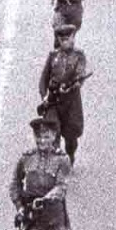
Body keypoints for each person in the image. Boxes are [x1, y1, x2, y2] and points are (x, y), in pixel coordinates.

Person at [37, 22, 90, 163]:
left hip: (71, 103)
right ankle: (56, 163)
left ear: (73, 37)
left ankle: (70, 156)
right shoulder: (53, 56)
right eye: (62, 39)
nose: (65, 41)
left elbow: (80, 75)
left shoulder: (79, 56)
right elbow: (43, 80)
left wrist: (71, 87)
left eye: (68, 38)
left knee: (71, 137)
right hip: (53, 102)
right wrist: (44, 97)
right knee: (53, 131)